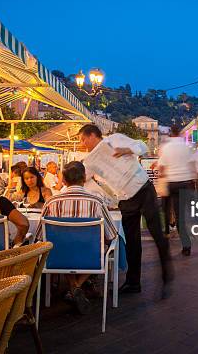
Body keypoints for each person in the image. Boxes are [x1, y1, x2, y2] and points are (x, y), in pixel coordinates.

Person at [78, 124, 173, 297]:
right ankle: (133, 282)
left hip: (143, 189)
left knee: (156, 232)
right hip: (124, 198)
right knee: (132, 241)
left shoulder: (115, 139)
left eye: (83, 139)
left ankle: (167, 272)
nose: (83, 144)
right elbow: (81, 178)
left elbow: (142, 146)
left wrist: (127, 149)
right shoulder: (90, 161)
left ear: (93, 135)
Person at [38, 161, 118, 314]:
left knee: (61, 247)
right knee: (101, 248)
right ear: (84, 178)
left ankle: (73, 288)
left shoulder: (51, 203)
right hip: (91, 257)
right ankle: (77, 287)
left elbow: (41, 237)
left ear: (64, 181)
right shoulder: (96, 202)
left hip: (57, 257)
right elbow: (111, 235)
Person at [157, 125, 197, 256]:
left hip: (170, 182)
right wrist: (193, 180)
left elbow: (162, 168)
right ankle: (186, 245)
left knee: (165, 207)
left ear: (170, 133)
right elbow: (192, 166)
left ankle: (167, 231)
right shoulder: (187, 147)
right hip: (184, 183)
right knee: (181, 217)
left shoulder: (166, 147)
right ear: (179, 133)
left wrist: (161, 177)